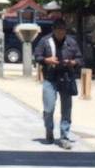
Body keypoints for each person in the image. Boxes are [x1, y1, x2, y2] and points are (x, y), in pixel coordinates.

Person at [34, 18, 82, 148]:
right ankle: (49, 130)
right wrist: (46, 60)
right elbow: (37, 56)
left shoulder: (71, 42)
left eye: (63, 31)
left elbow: (80, 58)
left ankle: (64, 136)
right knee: (49, 108)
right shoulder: (45, 41)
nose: (61, 33)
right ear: (53, 30)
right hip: (50, 77)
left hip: (66, 77)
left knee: (66, 109)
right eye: (58, 31)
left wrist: (74, 63)